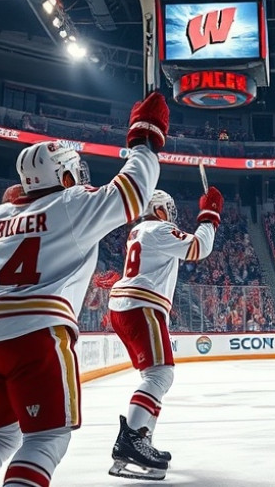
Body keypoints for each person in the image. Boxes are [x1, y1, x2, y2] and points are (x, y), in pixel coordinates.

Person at [0, 91, 168, 487]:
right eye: (73, 172)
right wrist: (143, 140)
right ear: (63, 177)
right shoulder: (71, 202)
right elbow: (134, 191)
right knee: (47, 437)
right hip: (34, 332)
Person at [106, 186, 223, 480]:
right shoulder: (157, 229)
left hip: (127, 304)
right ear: (161, 210)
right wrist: (209, 216)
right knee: (160, 375)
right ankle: (131, 440)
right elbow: (199, 248)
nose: (171, 217)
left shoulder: (139, 232)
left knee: (155, 376)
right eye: (169, 212)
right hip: (141, 305)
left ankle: (142, 440)